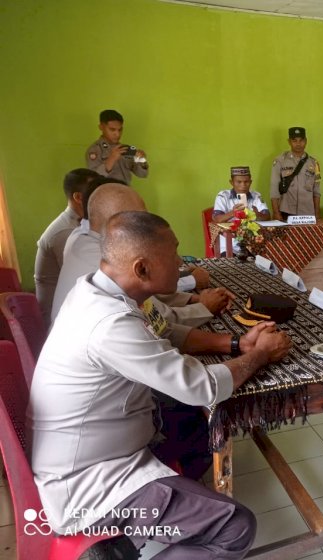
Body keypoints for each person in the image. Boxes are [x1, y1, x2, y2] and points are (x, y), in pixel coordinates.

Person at [29, 210, 292, 557]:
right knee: (236, 526)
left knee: (194, 427)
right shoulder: (109, 324)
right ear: (142, 268)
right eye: (174, 255)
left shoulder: (99, 290)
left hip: (103, 452)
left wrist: (236, 344)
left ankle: (180, 503)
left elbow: (162, 330)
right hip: (91, 485)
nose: (181, 263)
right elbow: (203, 387)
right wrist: (257, 356)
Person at [52, 184, 231, 326]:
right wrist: (204, 307)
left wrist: (194, 298)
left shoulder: (84, 239)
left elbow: (147, 292)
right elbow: (159, 320)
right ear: (118, 224)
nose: (148, 225)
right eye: (140, 219)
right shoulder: (105, 258)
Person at [34, 168, 100, 325]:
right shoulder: (66, 232)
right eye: (95, 192)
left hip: (72, 306)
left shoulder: (81, 224)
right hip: (58, 318)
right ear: (78, 197)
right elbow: (92, 280)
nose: (100, 197)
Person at [212, 166, 270, 255]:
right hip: (229, 244)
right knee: (231, 263)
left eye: (246, 182)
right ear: (231, 182)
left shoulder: (256, 196)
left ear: (250, 182)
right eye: (239, 182)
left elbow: (267, 217)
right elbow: (217, 219)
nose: (243, 185)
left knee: (263, 258)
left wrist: (257, 214)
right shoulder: (223, 196)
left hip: (252, 243)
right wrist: (233, 212)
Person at [269, 127, 321, 220]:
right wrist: (276, 213)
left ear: (306, 141)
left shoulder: (313, 163)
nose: (298, 144)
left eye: (301, 140)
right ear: (289, 142)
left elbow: (316, 191)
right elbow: (274, 189)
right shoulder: (280, 161)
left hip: (307, 213)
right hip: (286, 211)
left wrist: (317, 214)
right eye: (294, 140)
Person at [85, 109, 149, 185]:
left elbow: (143, 174)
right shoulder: (94, 150)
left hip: (125, 191)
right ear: (101, 127)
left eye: (120, 130)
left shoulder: (126, 149)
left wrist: (142, 160)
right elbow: (94, 179)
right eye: (112, 130)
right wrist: (111, 159)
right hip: (105, 193)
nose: (117, 134)